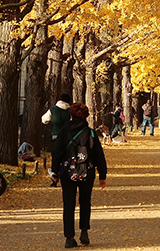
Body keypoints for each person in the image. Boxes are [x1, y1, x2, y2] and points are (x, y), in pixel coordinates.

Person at [51, 103, 108, 249]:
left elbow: (57, 152)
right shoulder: (90, 133)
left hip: (67, 172)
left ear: (71, 114)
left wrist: (55, 172)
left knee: (68, 204)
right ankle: (84, 231)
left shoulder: (64, 131)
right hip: (87, 172)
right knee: (85, 201)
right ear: (86, 116)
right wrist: (102, 175)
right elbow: (98, 154)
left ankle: (69, 238)